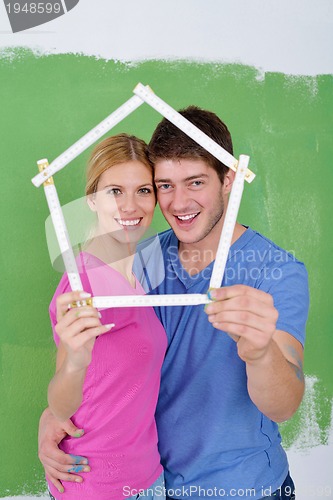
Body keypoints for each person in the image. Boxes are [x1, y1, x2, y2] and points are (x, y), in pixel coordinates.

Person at [39, 107, 309, 500]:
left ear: (228, 179)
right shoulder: (139, 259)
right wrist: (53, 417)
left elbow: (285, 404)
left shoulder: (276, 270)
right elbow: (95, 368)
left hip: (242, 488)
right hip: (152, 485)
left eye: (195, 182)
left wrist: (260, 353)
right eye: (164, 185)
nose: (179, 202)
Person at [45, 133, 167, 499]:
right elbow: (62, 405)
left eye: (143, 190)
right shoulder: (81, 286)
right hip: (97, 485)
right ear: (92, 199)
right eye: (115, 191)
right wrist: (74, 364)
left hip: (149, 477)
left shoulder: (145, 272)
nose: (131, 206)